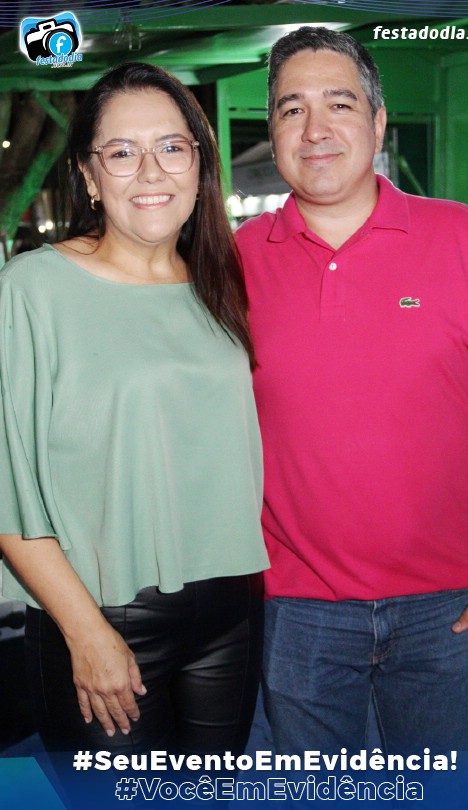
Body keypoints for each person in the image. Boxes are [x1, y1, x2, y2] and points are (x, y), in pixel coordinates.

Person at [236, 27, 468, 755]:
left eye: (339, 105)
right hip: (296, 610)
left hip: (446, 605)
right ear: (273, 132)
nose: (315, 130)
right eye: (291, 109)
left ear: (377, 124)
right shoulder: (234, 260)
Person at [0, 62, 269, 755]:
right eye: (121, 152)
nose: (152, 171)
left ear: (200, 165)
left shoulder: (218, 280)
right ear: (89, 176)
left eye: (172, 147)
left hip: (231, 610)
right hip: (104, 616)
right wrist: (85, 631)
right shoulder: (33, 290)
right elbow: (8, 489)